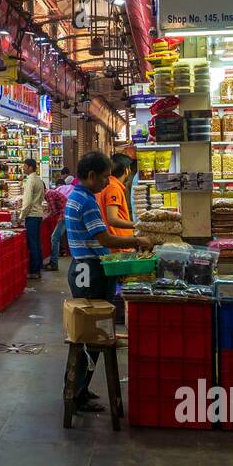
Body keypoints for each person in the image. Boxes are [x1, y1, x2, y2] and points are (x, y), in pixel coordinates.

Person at [65, 151, 154, 413]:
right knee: (90, 334)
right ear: (91, 176)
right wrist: (137, 240)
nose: (107, 182)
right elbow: (105, 240)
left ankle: (80, 388)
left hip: (82, 267)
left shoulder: (78, 196)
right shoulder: (88, 201)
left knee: (88, 333)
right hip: (89, 272)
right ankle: (76, 392)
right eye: (104, 177)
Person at [96, 152, 136, 238]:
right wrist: (137, 225)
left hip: (116, 239)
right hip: (119, 241)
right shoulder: (114, 188)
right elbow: (112, 219)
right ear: (126, 170)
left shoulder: (109, 184)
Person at [20, 157, 47, 278]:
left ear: (30, 167)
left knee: (32, 244)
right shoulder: (39, 180)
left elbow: (27, 201)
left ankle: (34, 271)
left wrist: (21, 216)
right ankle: (38, 268)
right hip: (38, 213)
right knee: (36, 242)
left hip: (31, 215)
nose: (23, 168)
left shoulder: (30, 181)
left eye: (25, 166)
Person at [44, 173, 75, 270]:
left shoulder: (48, 194)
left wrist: (44, 217)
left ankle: (54, 263)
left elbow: (53, 211)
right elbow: (54, 209)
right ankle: (53, 262)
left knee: (55, 238)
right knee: (56, 237)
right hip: (66, 213)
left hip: (65, 214)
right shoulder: (50, 193)